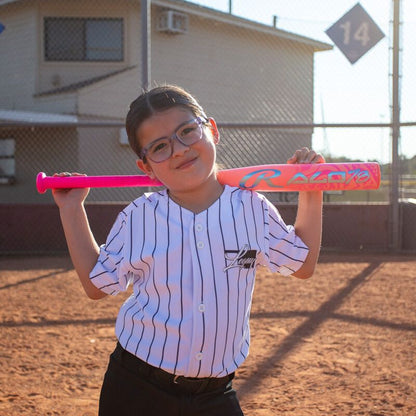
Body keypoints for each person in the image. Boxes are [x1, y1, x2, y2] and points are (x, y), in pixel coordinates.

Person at [52, 84, 324, 416]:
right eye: (160, 147)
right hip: (138, 388)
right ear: (147, 167)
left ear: (211, 130)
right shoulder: (139, 217)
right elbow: (97, 284)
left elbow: (302, 263)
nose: (179, 149)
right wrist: (71, 209)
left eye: (186, 131)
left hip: (215, 394)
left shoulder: (252, 208)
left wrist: (311, 188)